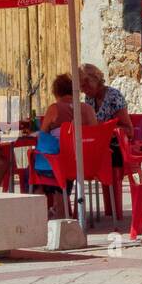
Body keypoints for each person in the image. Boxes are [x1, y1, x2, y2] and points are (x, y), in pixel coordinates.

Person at [34, 73, 98, 216]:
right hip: (88, 163)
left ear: (56, 92)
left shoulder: (54, 109)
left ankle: (43, 212)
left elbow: (42, 133)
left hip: (64, 164)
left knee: (35, 168)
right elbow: (95, 133)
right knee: (66, 162)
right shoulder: (88, 109)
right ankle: (68, 211)